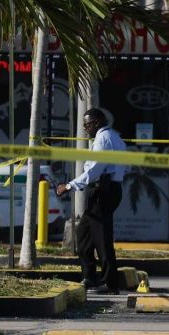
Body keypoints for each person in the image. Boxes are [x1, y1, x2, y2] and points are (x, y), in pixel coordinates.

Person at [56, 108, 126, 294]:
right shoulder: (114, 136)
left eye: (87, 125)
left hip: (104, 190)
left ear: (96, 122)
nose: (86, 129)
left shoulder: (103, 139)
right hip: (106, 190)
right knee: (84, 235)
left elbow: (94, 170)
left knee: (102, 239)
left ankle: (110, 283)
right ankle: (89, 277)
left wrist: (70, 186)